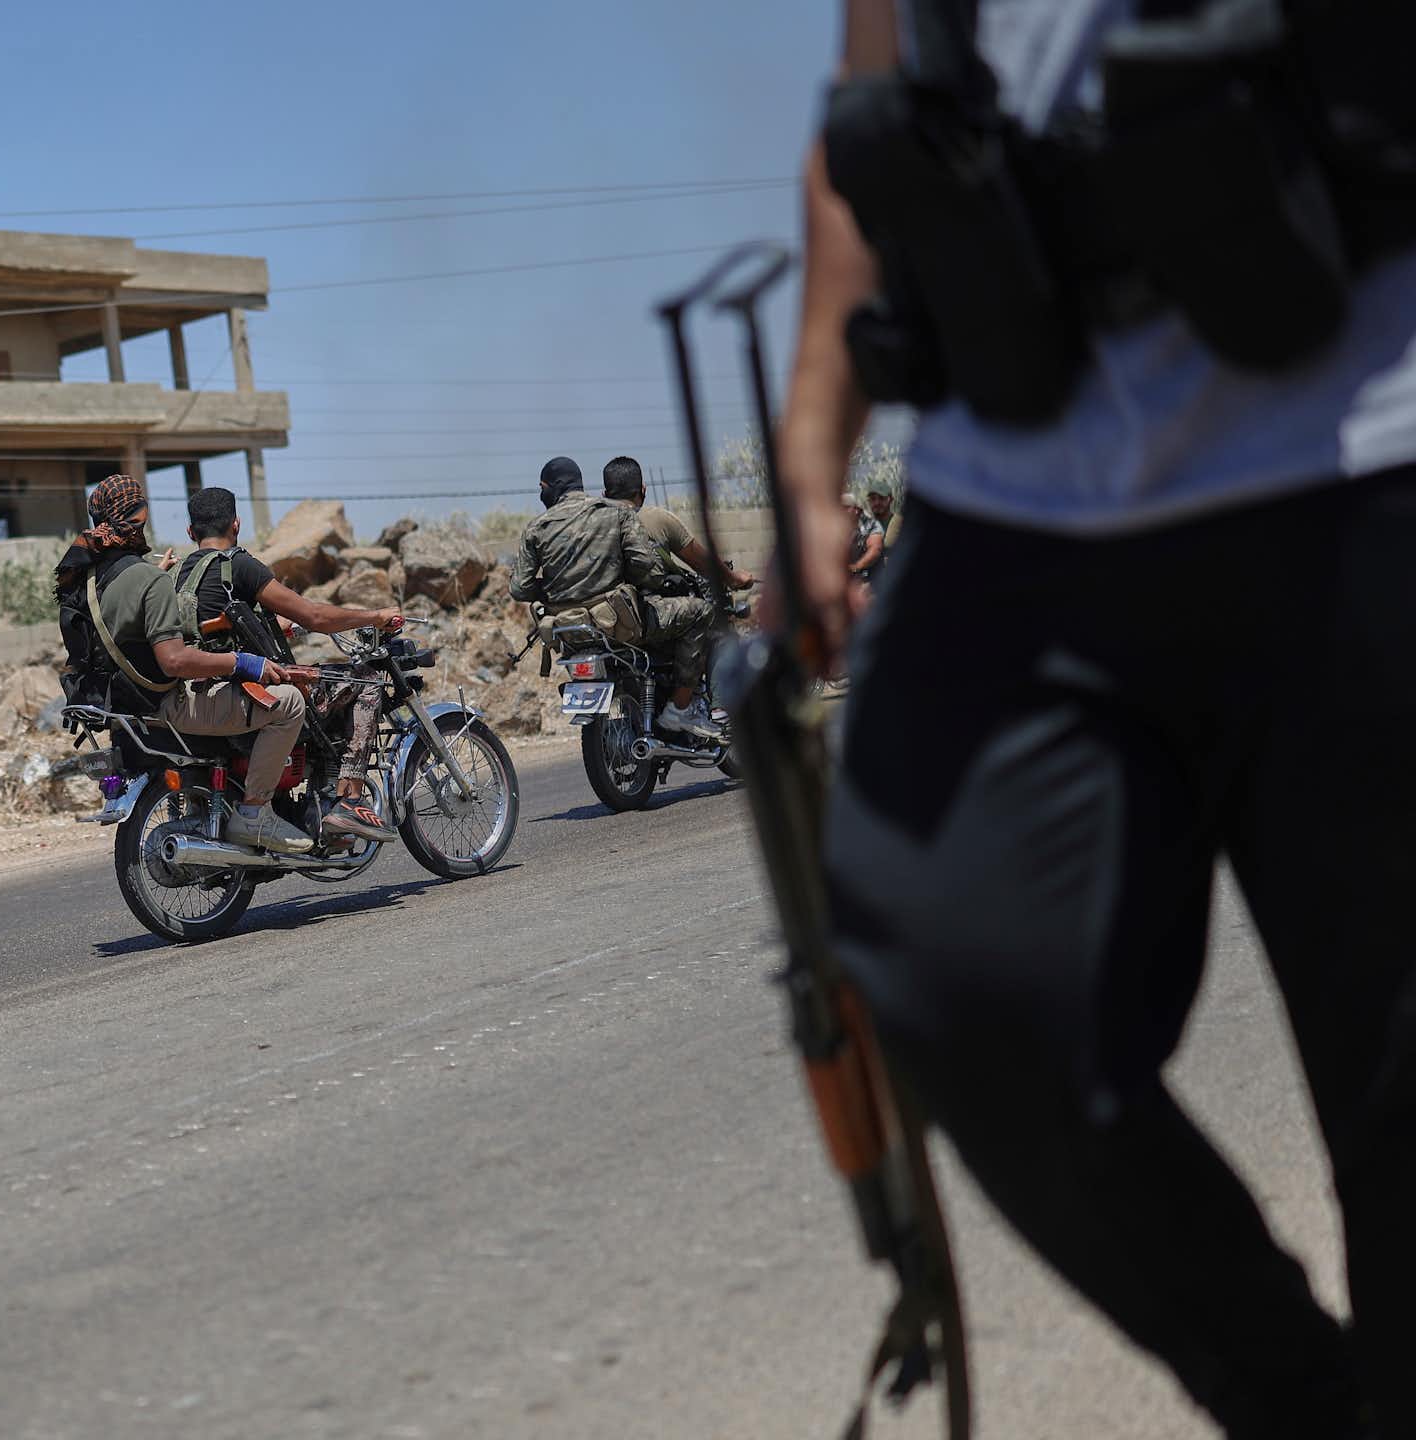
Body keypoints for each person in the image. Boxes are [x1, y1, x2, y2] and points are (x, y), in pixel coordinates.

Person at [779, 2, 1416, 1435]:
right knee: (954, 972)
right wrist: (811, 450)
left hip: (1378, 435)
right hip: (1015, 484)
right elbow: (868, 106)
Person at [56, 474, 323, 854]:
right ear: (140, 516)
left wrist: (157, 577)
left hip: (121, 706)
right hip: (165, 704)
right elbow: (175, 660)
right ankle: (254, 815)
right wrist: (241, 662)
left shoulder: (86, 580)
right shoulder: (148, 579)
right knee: (290, 703)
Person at [178, 486, 403, 842]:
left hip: (199, 691)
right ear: (236, 525)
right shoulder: (238, 566)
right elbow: (315, 615)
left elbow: (225, 625)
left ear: (191, 532)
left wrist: (286, 627)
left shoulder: (180, 574)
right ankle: (348, 802)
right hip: (243, 691)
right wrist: (375, 616)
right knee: (366, 680)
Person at [513, 456, 717, 739]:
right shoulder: (615, 513)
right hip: (620, 624)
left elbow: (519, 588)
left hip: (570, 631)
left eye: (541, 488)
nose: (541, 493)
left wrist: (554, 589)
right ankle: (681, 707)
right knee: (701, 612)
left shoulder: (536, 528)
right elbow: (647, 569)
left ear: (554, 487)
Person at [599, 455, 757, 592]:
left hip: (604, 610)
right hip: (650, 610)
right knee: (704, 609)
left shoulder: (594, 524)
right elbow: (702, 563)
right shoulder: (658, 518)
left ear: (605, 494)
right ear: (643, 490)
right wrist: (733, 578)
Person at [843, 491, 885, 586]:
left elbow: (875, 549)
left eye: (846, 507)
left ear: (857, 510)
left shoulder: (871, 525)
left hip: (868, 577)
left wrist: (856, 567)